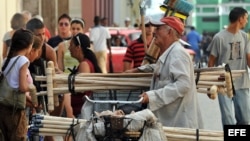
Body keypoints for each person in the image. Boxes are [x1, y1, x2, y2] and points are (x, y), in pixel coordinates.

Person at [125, 16, 203, 128]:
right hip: (170, 121)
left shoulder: (178, 54)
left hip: (179, 124)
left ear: (169, 32)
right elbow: (160, 67)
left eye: (158, 29)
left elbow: (183, 84)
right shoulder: (170, 52)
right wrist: (137, 69)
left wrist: (153, 96)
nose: (154, 32)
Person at [208, 7, 250, 126]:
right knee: (228, 120)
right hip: (223, 85)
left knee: (245, 120)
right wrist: (210, 85)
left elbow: (249, 60)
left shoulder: (245, 36)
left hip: (242, 83)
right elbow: (211, 62)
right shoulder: (219, 37)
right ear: (240, 19)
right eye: (246, 18)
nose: (247, 21)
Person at [0, 29, 34, 141]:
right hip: (15, 110)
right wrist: (33, 90)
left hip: (3, 108)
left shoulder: (6, 60)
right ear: (28, 45)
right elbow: (22, 87)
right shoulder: (23, 60)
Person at [66, 33, 102, 118]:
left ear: (78, 48)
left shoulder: (84, 65)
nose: (69, 48)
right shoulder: (85, 63)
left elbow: (82, 89)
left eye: (71, 45)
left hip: (81, 112)